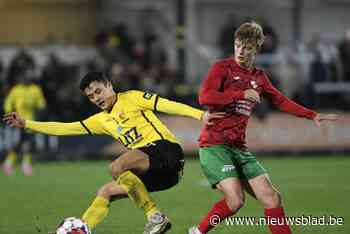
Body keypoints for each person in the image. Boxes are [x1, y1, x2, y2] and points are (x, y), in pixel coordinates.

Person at [3, 72, 224, 234]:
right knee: (106, 191)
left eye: (99, 91)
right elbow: (64, 128)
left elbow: (167, 105)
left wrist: (200, 115)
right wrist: (27, 123)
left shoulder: (132, 97)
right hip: (162, 176)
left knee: (116, 167)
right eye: (91, 96)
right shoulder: (100, 120)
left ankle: (155, 216)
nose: (97, 98)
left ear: (109, 85)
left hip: (167, 152)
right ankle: (81, 229)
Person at [188, 21, 339, 234]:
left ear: (257, 48)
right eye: (238, 45)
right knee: (235, 201)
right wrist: (240, 94)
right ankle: (197, 232)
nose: (241, 51)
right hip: (215, 146)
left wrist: (311, 115)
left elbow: (280, 101)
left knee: (272, 197)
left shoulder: (259, 77)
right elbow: (205, 96)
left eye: (247, 47)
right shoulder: (222, 68)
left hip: (239, 148)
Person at [2, 67, 46, 176]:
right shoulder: (16, 90)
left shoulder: (35, 89)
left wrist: (40, 115)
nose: (26, 78)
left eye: (28, 76)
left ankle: (13, 163)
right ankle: (19, 164)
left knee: (26, 143)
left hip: (30, 122)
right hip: (17, 122)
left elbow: (41, 104)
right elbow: (8, 103)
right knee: (22, 143)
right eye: (24, 76)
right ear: (20, 78)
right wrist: (10, 114)